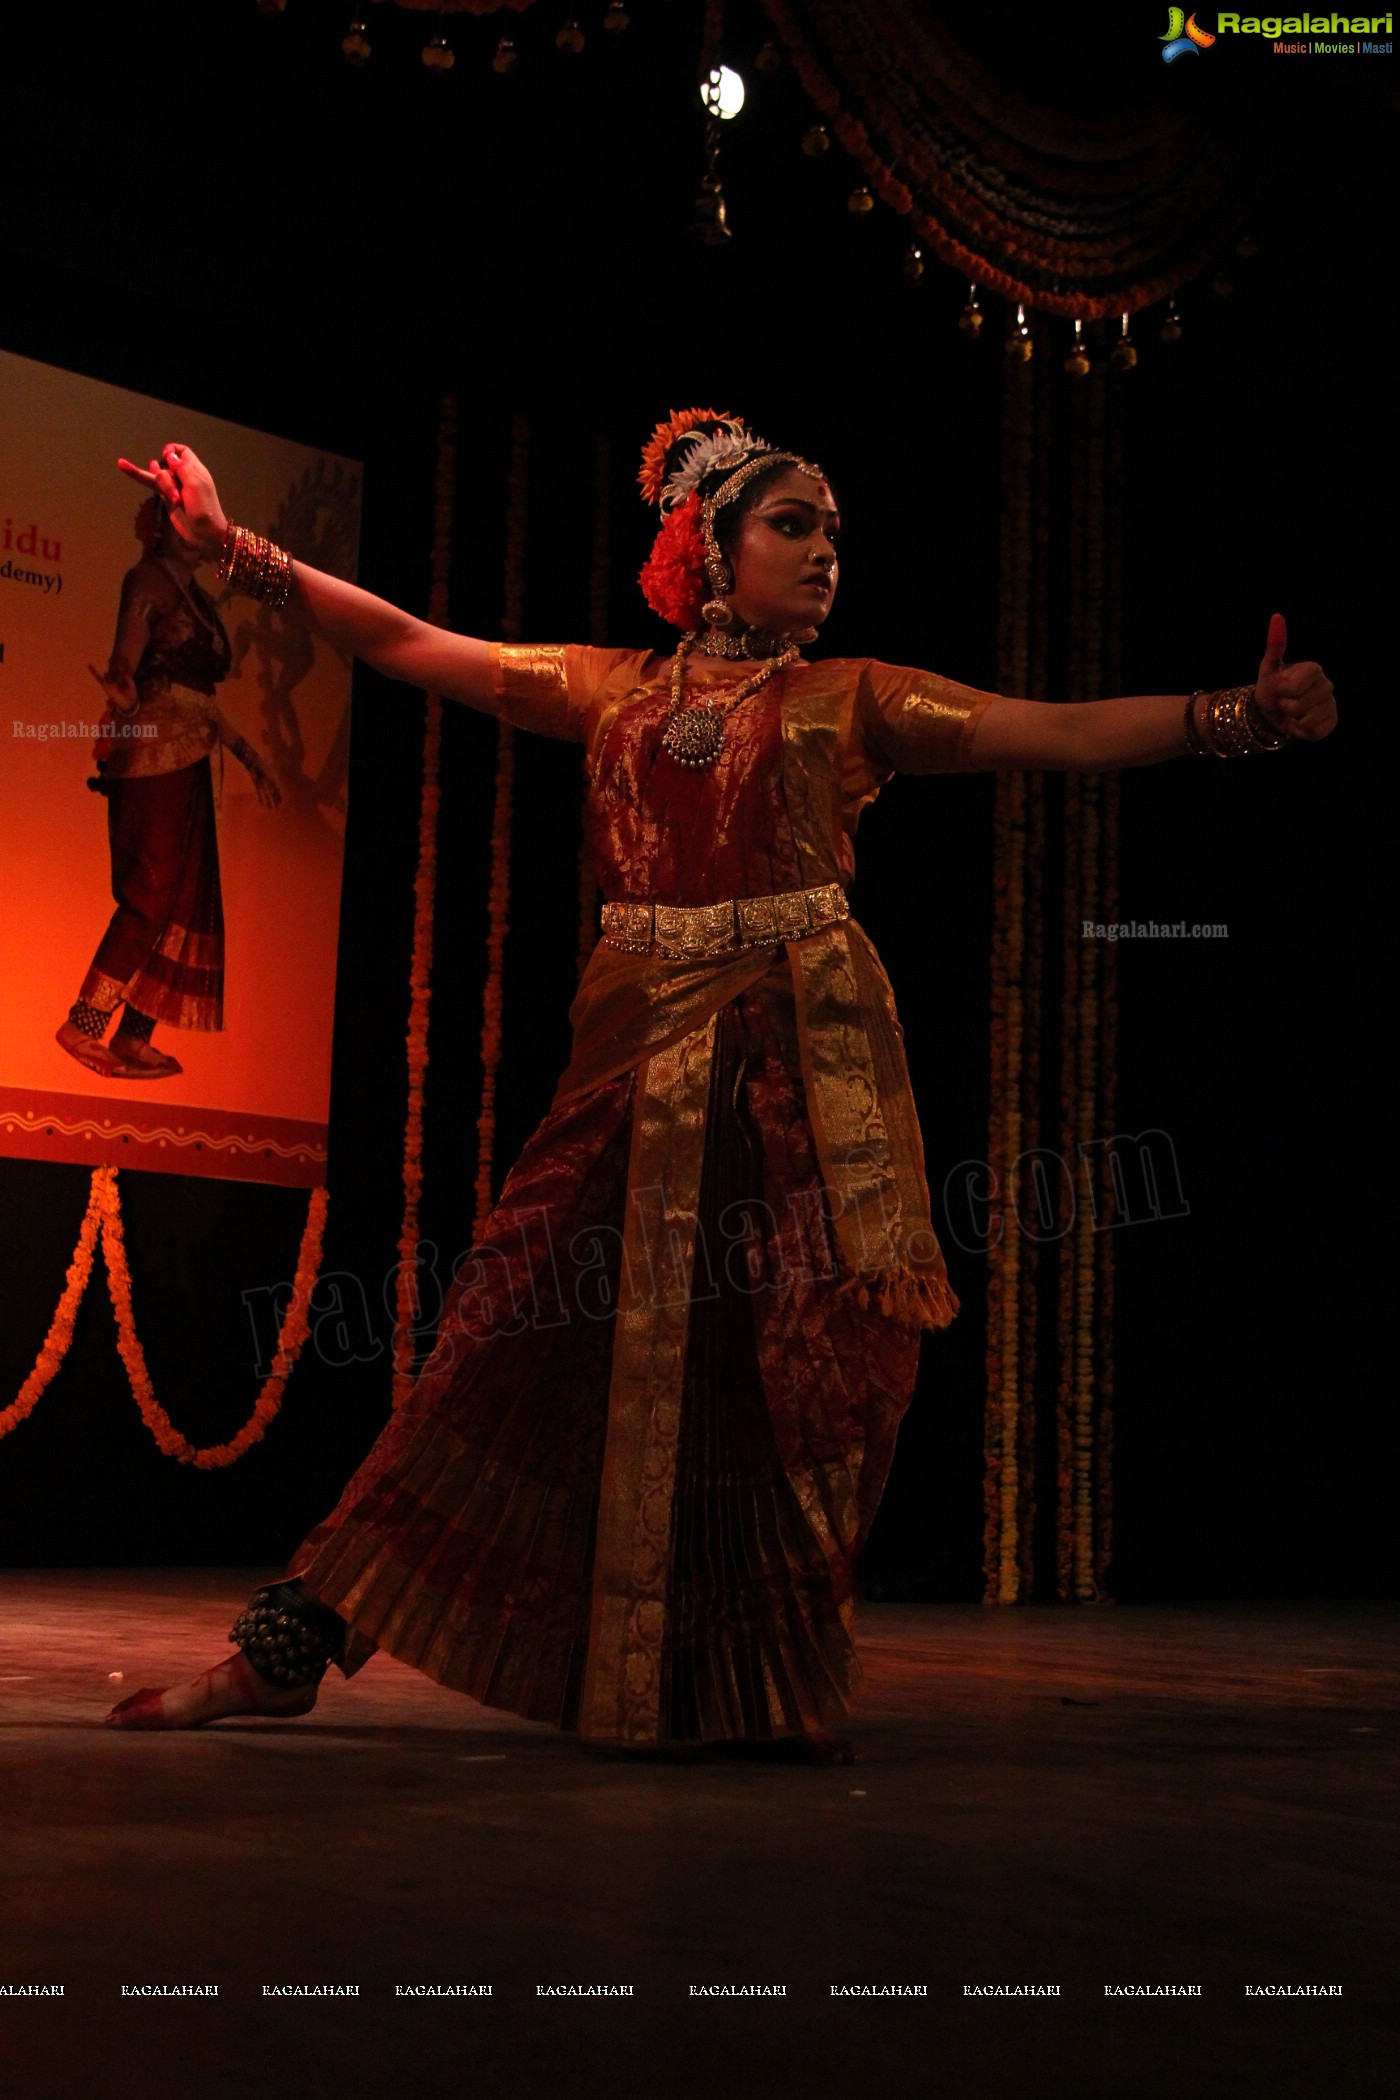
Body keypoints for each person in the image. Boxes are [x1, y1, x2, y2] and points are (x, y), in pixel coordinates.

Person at [105, 416, 1337, 1760]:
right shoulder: (611, 692)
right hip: (626, 1080)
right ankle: (292, 1645)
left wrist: (1229, 719)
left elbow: (1051, 734)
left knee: (788, 1378)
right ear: (708, 552)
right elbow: (408, 642)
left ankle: (729, 1673)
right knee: (495, 1353)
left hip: (790, 1095)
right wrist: (237, 553)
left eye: (834, 536)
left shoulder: (850, 699)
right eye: (793, 527)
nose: (824, 557)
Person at [56, 495, 280, 1083]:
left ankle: (134, 1035)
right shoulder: (146, 581)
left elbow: (202, 704)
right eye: (175, 519)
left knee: (184, 902)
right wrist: (122, 694)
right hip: (149, 759)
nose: (187, 531)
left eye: (194, 521)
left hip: (190, 760)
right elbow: (125, 665)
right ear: (158, 526)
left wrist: (249, 755)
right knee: (150, 894)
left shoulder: (200, 601)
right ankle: (82, 1025)